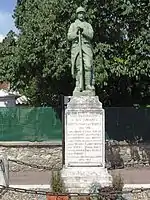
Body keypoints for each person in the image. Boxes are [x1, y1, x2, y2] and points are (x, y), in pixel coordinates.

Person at [67, 6, 95, 93]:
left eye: (82, 13)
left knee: (88, 65)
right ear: (77, 15)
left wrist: (83, 31)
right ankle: (78, 84)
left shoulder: (88, 25)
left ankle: (88, 85)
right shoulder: (73, 25)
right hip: (76, 47)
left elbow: (91, 35)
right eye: (79, 13)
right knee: (78, 67)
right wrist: (76, 33)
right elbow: (69, 36)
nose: (81, 15)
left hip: (86, 47)